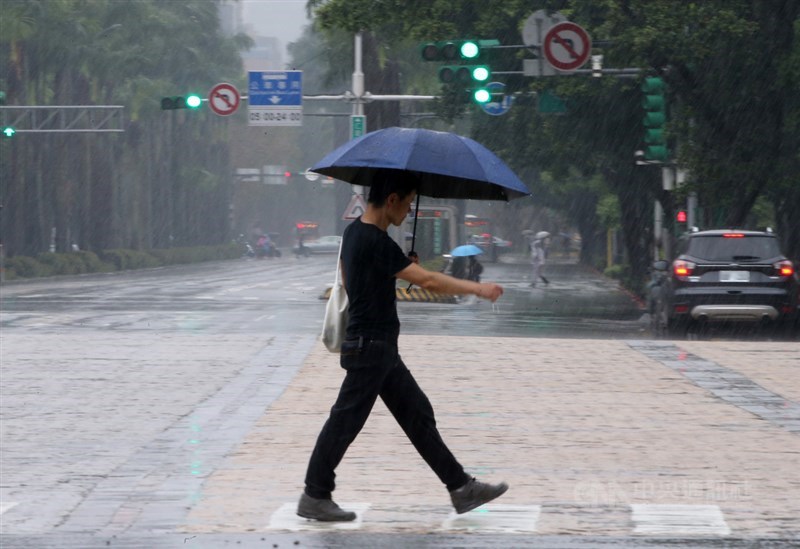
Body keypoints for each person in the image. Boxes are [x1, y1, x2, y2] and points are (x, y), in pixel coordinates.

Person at [297, 174, 508, 522]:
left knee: (417, 414)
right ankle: (315, 494)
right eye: (408, 203)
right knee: (344, 421)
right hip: (372, 347)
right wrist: (478, 289)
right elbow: (426, 280)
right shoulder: (376, 242)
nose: (409, 211)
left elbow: (352, 279)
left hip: (376, 347)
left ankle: (461, 488)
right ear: (391, 199)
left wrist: (395, 267)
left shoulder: (354, 234)